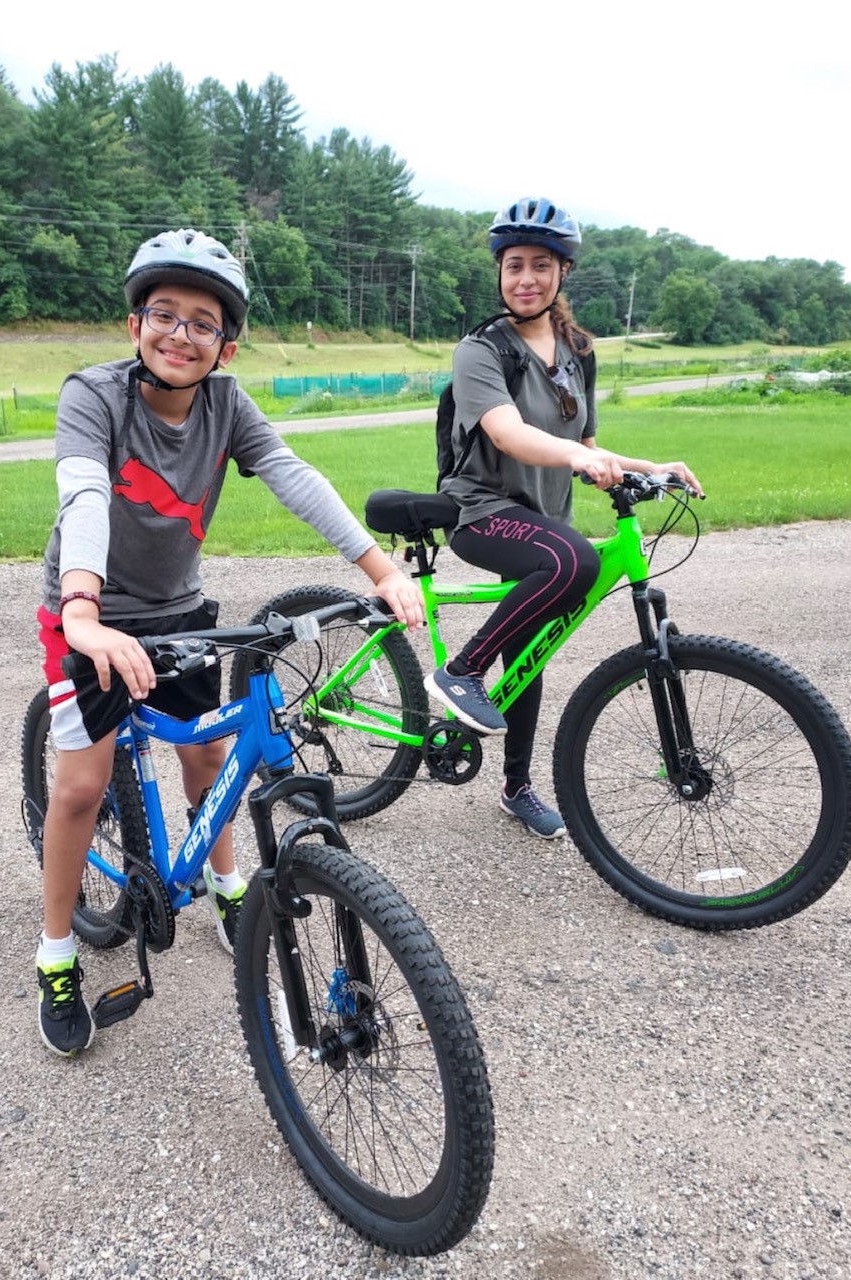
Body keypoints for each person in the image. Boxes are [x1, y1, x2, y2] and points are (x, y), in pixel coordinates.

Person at [35, 228, 424, 1058]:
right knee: (78, 786)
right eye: (162, 315)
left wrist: (380, 569)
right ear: (133, 325)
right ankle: (58, 952)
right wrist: (81, 612)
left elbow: (291, 474)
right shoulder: (94, 395)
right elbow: (85, 497)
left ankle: (225, 886)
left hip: (178, 611)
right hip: (88, 610)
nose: (180, 334)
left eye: (202, 323)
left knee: (208, 759)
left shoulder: (226, 403)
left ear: (226, 343)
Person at [424, 197, 702, 840]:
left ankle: (516, 786)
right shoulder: (480, 351)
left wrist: (650, 464)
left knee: (531, 652)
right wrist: (579, 457)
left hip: (545, 516)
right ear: (499, 273)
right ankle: (461, 672)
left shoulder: (579, 350)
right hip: (484, 513)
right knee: (573, 561)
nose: (525, 278)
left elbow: (591, 445)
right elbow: (510, 434)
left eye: (540, 265)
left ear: (562, 273)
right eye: (514, 265)